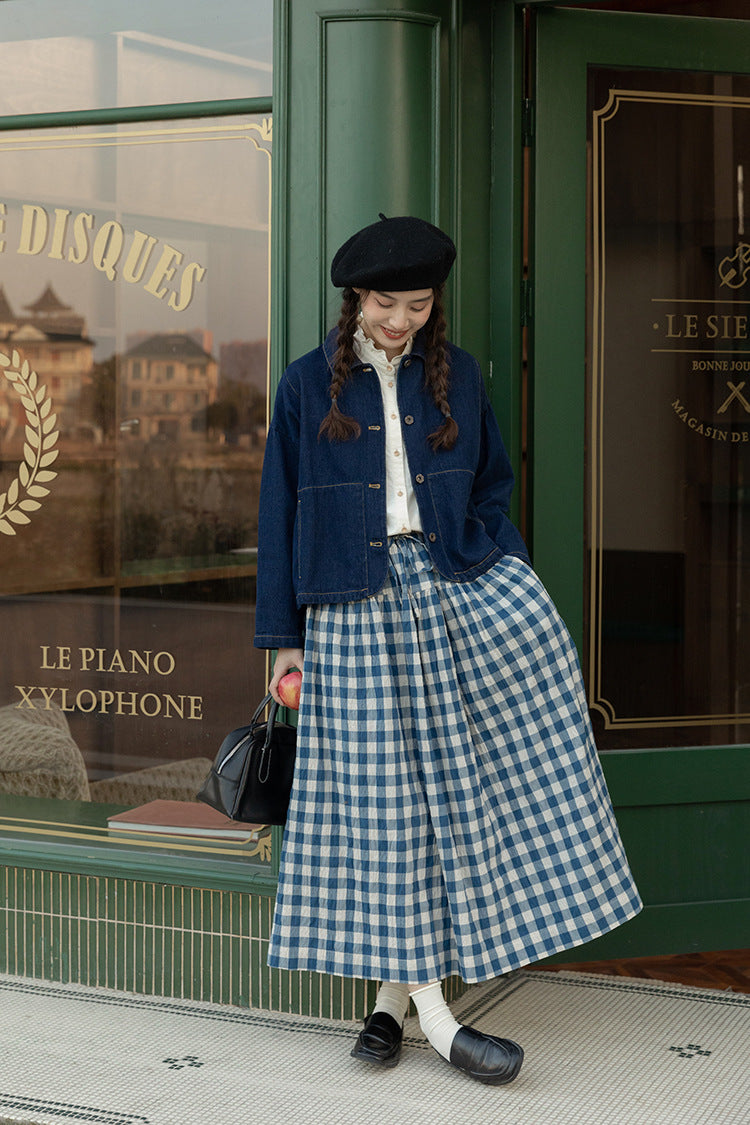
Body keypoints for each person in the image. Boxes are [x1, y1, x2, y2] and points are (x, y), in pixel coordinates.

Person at [254, 214, 642, 1086]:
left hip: (451, 593)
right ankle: (439, 1021)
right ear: (356, 297)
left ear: (435, 303)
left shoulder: (457, 377)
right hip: (352, 614)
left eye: (417, 304)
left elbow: (495, 485)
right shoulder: (305, 385)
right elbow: (277, 516)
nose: (400, 321)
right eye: (385, 303)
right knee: (387, 811)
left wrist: (505, 571)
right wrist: (282, 644)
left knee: (435, 807)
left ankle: (390, 1008)